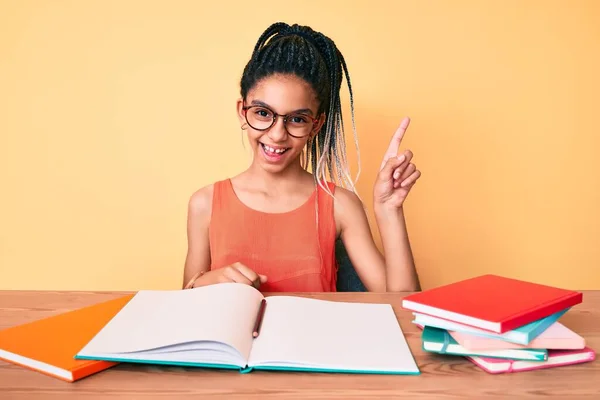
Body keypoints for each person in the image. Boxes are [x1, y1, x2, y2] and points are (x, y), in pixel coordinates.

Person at [182, 22, 421, 293]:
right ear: (242, 111)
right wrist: (203, 282)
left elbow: (403, 311)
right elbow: (187, 306)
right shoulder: (205, 204)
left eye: (296, 119)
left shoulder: (340, 206)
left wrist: (389, 211)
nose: (276, 134)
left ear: (316, 125)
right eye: (263, 113)